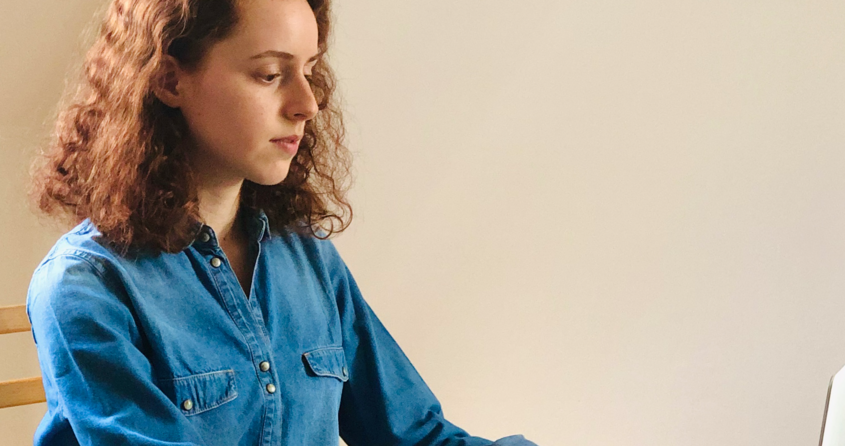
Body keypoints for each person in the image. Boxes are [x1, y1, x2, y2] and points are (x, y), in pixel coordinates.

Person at [25, 0, 538, 445]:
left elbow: (415, 435)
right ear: (168, 79)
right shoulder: (84, 286)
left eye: (309, 71)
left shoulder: (309, 260)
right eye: (270, 74)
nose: (307, 105)